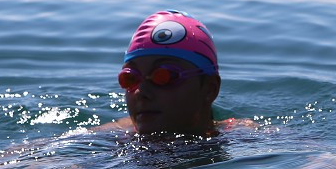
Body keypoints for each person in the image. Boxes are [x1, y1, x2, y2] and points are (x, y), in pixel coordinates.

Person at [104, 10, 250, 136]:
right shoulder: (113, 135)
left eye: (163, 77)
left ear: (209, 89)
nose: (140, 92)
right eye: (130, 78)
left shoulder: (245, 138)